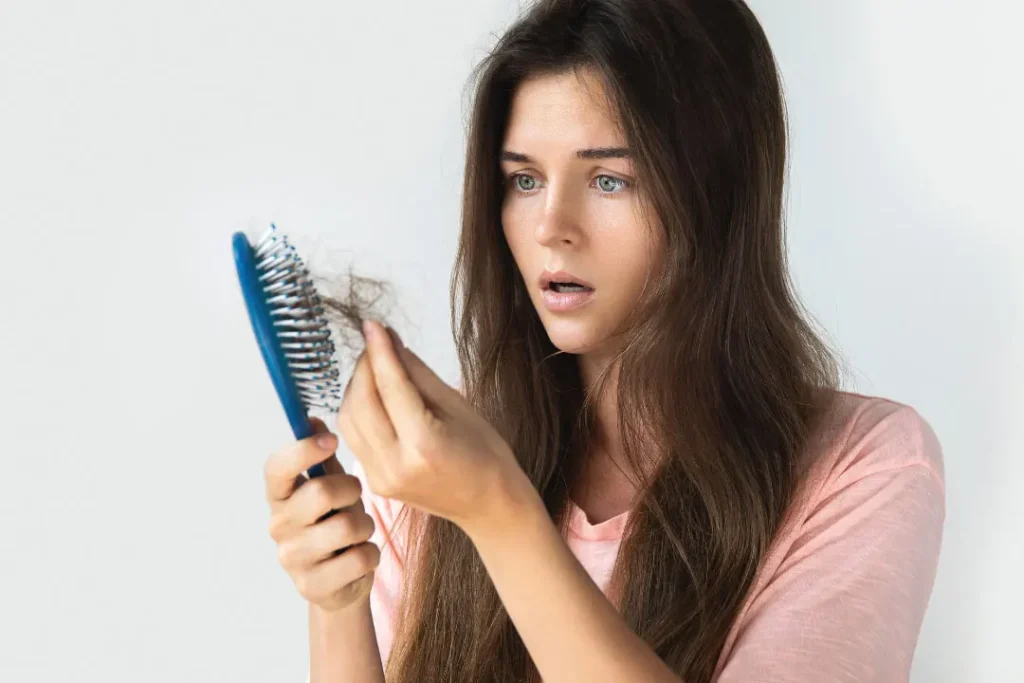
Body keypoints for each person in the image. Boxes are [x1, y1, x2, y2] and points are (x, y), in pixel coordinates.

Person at [263, 1, 946, 681]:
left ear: (714, 197)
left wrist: (499, 511)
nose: (550, 226)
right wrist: (336, 602)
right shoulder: (433, 469)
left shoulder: (865, 467)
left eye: (609, 179)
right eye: (524, 179)